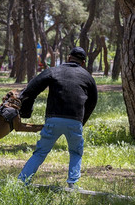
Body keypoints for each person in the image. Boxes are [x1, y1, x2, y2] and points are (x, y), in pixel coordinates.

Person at [18, 47, 97, 188]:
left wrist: (25, 112)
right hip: (75, 120)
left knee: (41, 152)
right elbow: (92, 102)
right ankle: (72, 184)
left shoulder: (54, 71)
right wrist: (81, 121)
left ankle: (22, 181)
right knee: (75, 152)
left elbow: (31, 89)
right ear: (83, 63)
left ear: (68, 58)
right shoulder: (88, 77)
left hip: (53, 119)